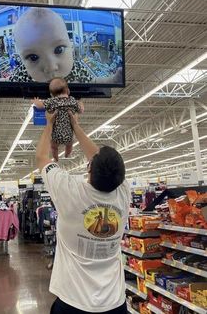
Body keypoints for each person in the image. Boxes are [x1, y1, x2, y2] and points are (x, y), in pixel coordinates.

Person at [36, 111, 130, 314]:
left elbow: (42, 157)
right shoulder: (124, 194)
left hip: (72, 302)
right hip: (115, 303)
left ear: (89, 169)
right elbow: (99, 161)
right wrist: (76, 126)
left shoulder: (70, 191)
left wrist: (50, 124)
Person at [10, 7, 121, 84]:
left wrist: (113, 80)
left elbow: (94, 81)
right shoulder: (22, 74)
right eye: (33, 57)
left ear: (71, 47)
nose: (51, 67)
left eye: (59, 50)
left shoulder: (76, 69)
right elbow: (6, 84)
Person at [33, 77, 84, 161]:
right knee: (69, 145)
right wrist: (81, 103)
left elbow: (40, 105)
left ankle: (55, 157)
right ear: (68, 91)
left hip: (56, 135)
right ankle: (67, 154)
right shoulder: (72, 101)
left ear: (52, 95)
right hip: (69, 135)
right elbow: (81, 110)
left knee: (54, 147)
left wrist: (35, 101)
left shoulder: (52, 101)